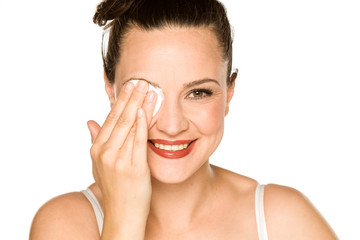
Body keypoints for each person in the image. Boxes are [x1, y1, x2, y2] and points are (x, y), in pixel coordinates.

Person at [29, 0, 338, 239]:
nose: (172, 125)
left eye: (199, 93)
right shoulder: (65, 222)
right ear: (111, 90)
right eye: (147, 92)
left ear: (229, 93)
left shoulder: (284, 219)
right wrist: (125, 217)